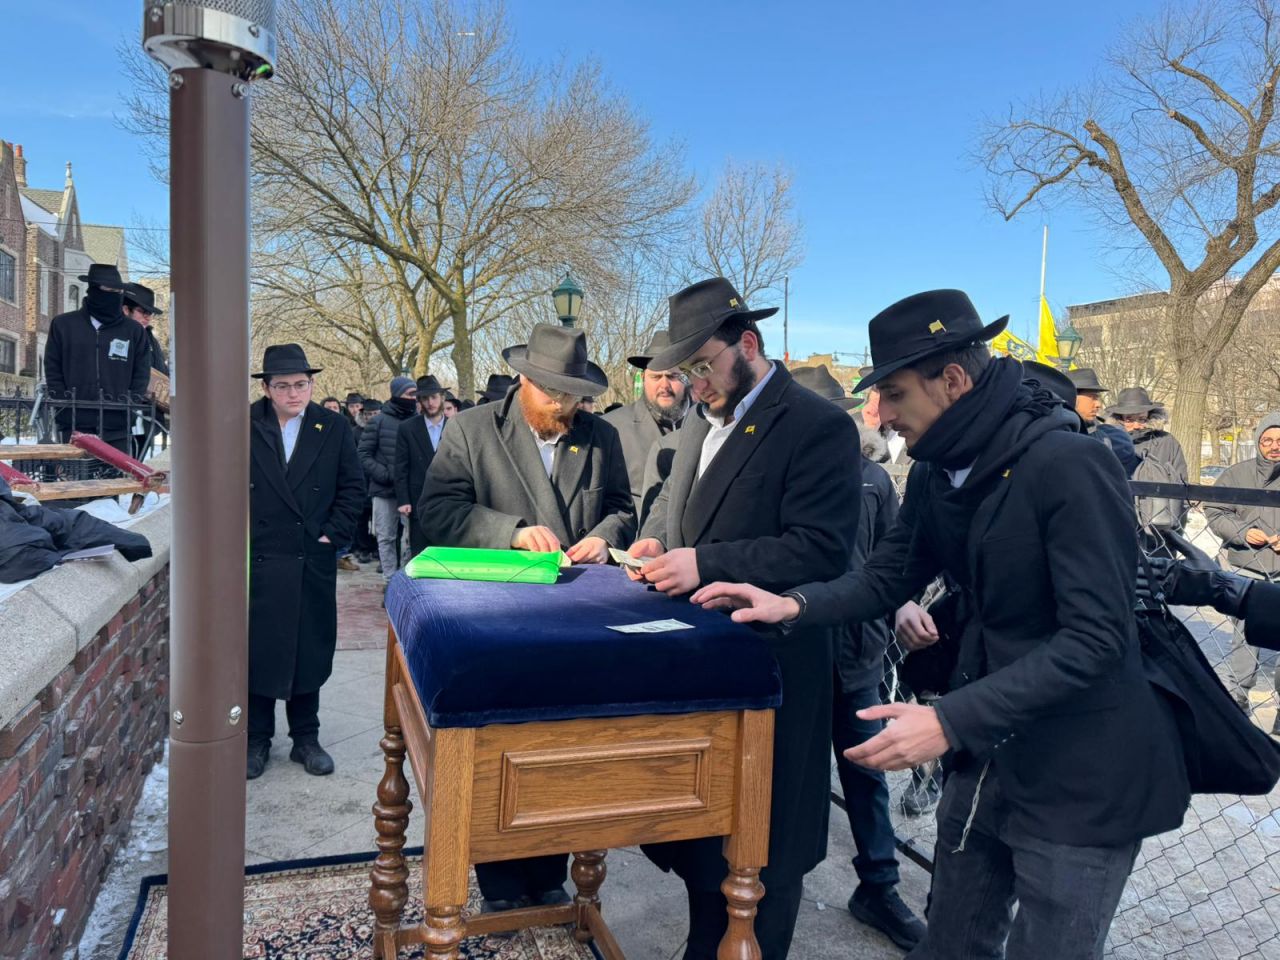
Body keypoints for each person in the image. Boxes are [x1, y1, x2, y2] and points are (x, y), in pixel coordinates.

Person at [692, 289, 1189, 960]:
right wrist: (795, 604)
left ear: (952, 380)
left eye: (894, 393)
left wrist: (950, 720)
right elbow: (884, 579)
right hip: (985, 756)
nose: (882, 414)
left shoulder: (1069, 465)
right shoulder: (935, 472)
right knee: (950, 943)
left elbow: (1097, 639)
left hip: (1082, 772)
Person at [626, 278, 862, 960]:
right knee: (706, 844)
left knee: (765, 850)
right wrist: (658, 544)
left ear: (748, 345)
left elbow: (821, 547)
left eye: (703, 366)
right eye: (686, 372)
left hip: (774, 670)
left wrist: (704, 563)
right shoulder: (701, 421)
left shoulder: (817, 425)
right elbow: (678, 511)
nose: (694, 385)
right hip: (702, 670)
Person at [420, 323, 634, 911]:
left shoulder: (601, 435)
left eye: (573, 395)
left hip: (575, 621)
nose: (564, 406)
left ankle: (549, 867)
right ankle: (498, 878)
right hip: (500, 621)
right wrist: (510, 533)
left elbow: (623, 507)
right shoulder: (471, 429)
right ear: (523, 380)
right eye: (553, 393)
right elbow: (437, 512)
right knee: (501, 749)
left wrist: (604, 535)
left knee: (564, 749)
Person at [792, 364, 925, 949]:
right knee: (784, 775)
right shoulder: (781, 479)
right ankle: (765, 877)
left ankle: (878, 886)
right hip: (793, 655)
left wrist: (904, 604)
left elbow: (893, 561)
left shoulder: (874, 479)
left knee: (867, 772)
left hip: (857, 655)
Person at [247, 344, 365, 779]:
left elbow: (352, 485)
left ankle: (306, 738)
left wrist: (333, 533)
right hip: (258, 555)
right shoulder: (243, 422)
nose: (294, 393)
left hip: (309, 554)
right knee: (258, 648)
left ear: (312, 384)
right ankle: (256, 739)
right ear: (266, 388)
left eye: (301, 384)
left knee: (308, 645)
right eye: (283, 386)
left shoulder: (332, 426)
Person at [1206, 413, 1280, 725]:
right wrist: (1243, 532)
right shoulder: (1237, 474)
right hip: (1247, 568)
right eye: (1267, 440)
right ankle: (1238, 695)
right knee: (1244, 637)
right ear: (1258, 442)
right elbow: (1215, 510)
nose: (1274, 446)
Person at [45, 263, 153, 454]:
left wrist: (129, 403)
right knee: (77, 473)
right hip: (74, 421)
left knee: (116, 473)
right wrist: (63, 402)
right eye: (107, 290)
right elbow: (52, 367)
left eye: (118, 291)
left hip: (118, 424)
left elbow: (141, 372)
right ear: (93, 289)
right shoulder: (64, 325)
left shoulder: (133, 331)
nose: (113, 295)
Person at [602, 330, 690, 520]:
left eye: (673, 376)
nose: (664, 386)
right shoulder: (611, 428)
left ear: (686, 377)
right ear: (643, 378)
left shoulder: (709, 424)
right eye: (656, 377)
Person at [359, 376, 418, 580]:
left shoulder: (418, 420)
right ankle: (390, 579)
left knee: (410, 538)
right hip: (383, 490)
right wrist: (384, 474)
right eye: (410, 394)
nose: (414, 398)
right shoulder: (378, 421)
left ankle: (405, 578)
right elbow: (363, 454)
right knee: (385, 536)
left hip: (410, 490)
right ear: (397, 394)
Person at [394, 375, 448, 557]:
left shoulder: (455, 426)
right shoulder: (407, 428)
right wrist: (403, 500)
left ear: (442, 397)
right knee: (420, 552)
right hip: (419, 500)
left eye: (434, 397)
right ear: (419, 401)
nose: (430, 403)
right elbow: (400, 466)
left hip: (450, 500)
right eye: (425, 398)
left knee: (447, 552)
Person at [1066, 368, 1138, 475]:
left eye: (1098, 398)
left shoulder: (1101, 437)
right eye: (1093, 397)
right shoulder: (1051, 433)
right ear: (1072, 397)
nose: (1098, 404)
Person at [122, 282, 169, 376]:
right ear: (126, 310)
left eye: (150, 313)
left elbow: (162, 370)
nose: (148, 318)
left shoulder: (150, 337)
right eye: (143, 311)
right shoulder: (115, 336)